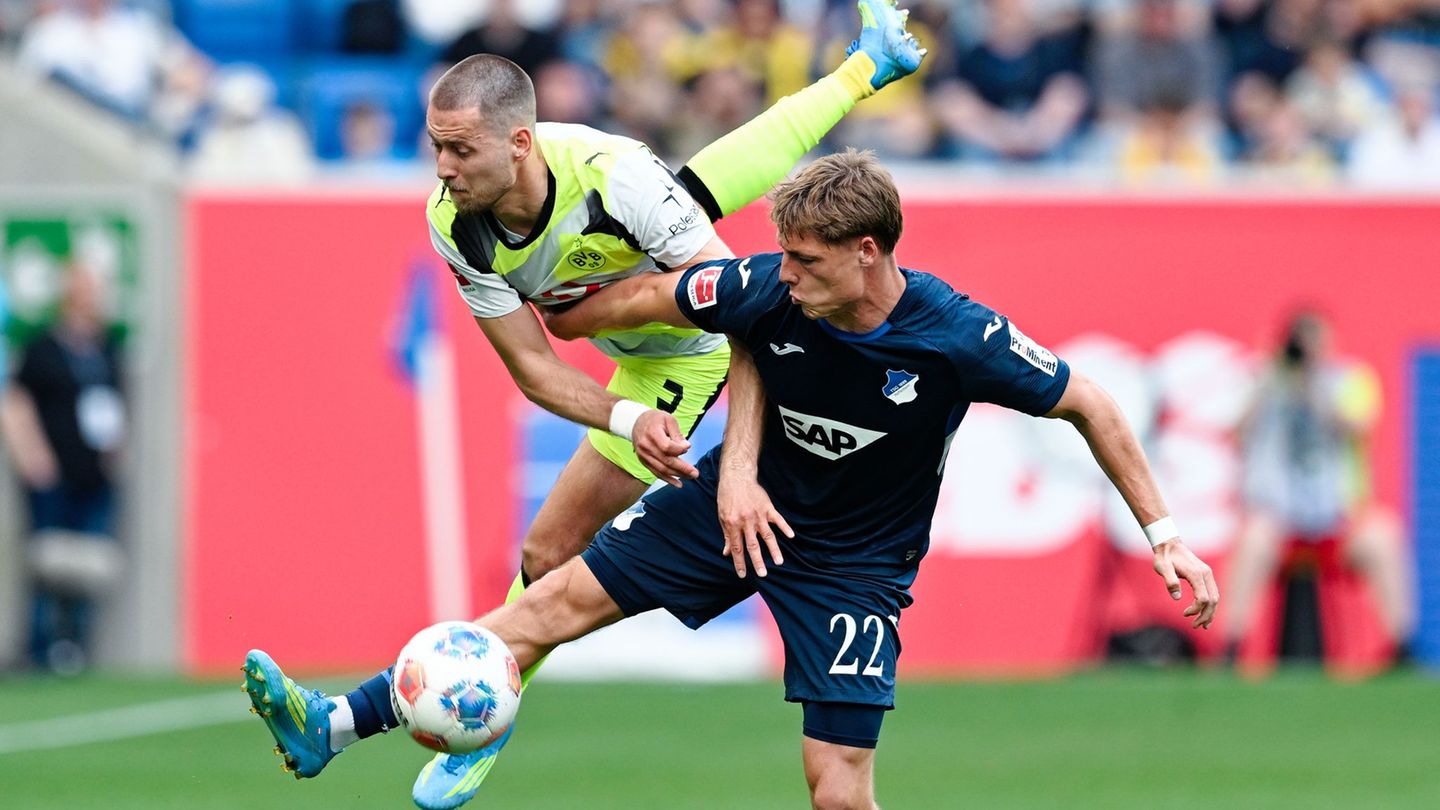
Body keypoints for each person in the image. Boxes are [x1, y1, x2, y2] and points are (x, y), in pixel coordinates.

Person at [247, 149, 1218, 809]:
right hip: (725, 509)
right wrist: (571, 317)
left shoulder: (956, 338)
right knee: (541, 606)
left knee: (837, 787)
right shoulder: (767, 286)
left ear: (869, 254)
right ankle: (329, 726)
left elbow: (1089, 401)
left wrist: (1165, 536)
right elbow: (664, 295)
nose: (782, 275)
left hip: (851, 566)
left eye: (807, 261)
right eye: (784, 255)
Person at [243, 3, 925, 808]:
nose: (443, 169)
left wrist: (621, 323)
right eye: (436, 148)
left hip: (691, 348)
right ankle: (864, 67)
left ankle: (414, 722)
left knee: (551, 547)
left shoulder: (613, 176)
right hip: (635, 368)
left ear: (520, 143)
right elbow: (534, 368)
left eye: (460, 150)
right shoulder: (457, 226)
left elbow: (743, 312)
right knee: (546, 554)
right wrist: (625, 418)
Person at [1223, 310, 1413, 665]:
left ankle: (1402, 645)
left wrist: (1313, 384)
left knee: (1384, 537)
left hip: (1336, 519)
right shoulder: (1266, 382)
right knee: (1252, 541)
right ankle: (1232, 647)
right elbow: (1236, 431)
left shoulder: (1349, 380)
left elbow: (1355, 425)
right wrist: (1269, 378)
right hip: (1280, 521)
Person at [0, 262, 125, 674]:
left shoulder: (106, 348)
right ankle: (40, 647)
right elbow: (16, 402)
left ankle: (75, 646)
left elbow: (115, 406)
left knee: (87, 563)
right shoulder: (43, 348)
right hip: (52, 473)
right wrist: (33, 457)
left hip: (93, 474)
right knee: (47, 562)